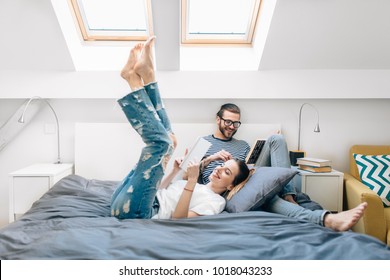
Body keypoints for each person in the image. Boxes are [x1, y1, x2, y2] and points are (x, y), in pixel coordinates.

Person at [110, 37, 250, 220]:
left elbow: (178, 218)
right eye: (223, 166)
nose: (219, 170)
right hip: (133, 200)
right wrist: (175, 172)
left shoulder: (217, 202)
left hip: (138, 212)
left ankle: (133, 80)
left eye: (227, 172)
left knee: (162, 145)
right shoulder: (200, 186)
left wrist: (191, 181)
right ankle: (147, 75)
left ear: (231, 186)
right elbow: (159, 190)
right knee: (172, 140)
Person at [200, 104, 297, 204]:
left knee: (277, 139)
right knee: (271, 200)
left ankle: (288, 195)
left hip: (247, 183)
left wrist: (269, 146)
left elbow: (254, 169)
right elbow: (188, 174)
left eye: (236, 123)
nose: (232, 127)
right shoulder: (203, 142)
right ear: (218, 120)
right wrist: (211, 158)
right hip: (224, 190)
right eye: (228, 122)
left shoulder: (243, 145)